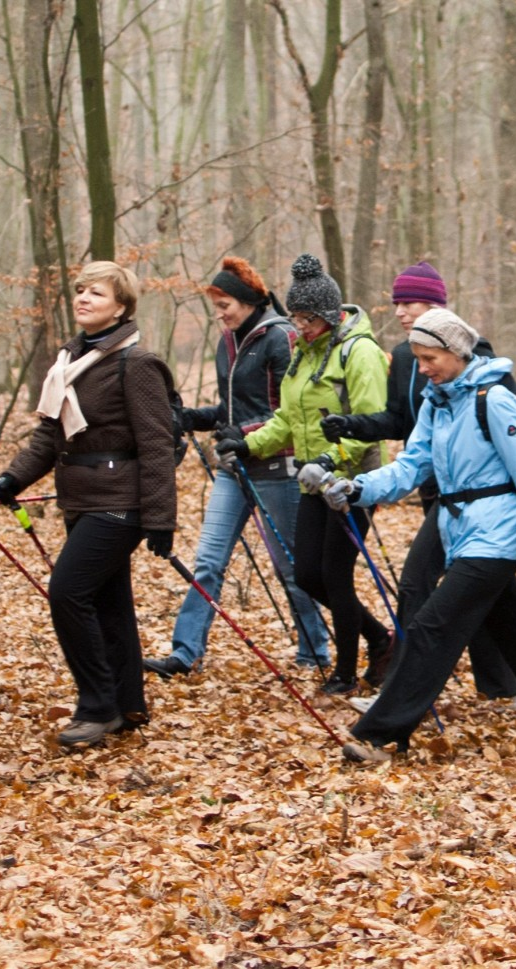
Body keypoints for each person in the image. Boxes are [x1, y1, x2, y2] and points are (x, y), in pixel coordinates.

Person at [308, 310, 516, 762]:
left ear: (456, 352)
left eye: (429, 358)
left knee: (433, 626)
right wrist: (359, 489)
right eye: (418, 358)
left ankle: (382, 736)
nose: (422, 367)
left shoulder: (493, 400)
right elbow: (412, 467)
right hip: (460, 531)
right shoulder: (438, 403)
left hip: (496, 536)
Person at [318, 260, 516, 707]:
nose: (401, 311)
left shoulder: (472, 353)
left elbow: (513, 425)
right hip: (437, 493)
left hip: (481, 501)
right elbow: (400, 422)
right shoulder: (404, 357)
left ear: (437, 305)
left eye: (410, 302)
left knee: (437, 587)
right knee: (464, 591)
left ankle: (418, 689)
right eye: (397, 303)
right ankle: (498, 688)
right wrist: (350, 425)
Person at [0, 260, 180, 747]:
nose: (83, 299)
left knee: (68, 593)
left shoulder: (136, 364)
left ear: (121, 306)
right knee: (108, 602)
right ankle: (127, 702)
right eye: (80, 291)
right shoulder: (69, 362)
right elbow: (49, 436)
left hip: (120, 502)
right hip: (80, 500)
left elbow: (158, 446)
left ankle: (96, 707)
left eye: (95, 293)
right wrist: (14, 476)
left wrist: (161, 520)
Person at [145, 256, 331, 677]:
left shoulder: (281, 338)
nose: (220, 313)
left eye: (225, 303)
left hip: (277, 470)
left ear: (248, 301)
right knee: (208, 560)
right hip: (234, 469)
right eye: (215, 305)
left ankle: (315, 652)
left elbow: (291, 412)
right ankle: (185, 652)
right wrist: (192, 418)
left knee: (290, 566)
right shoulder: (227, 341)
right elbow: (230, 410)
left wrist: (243, 433)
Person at [220, 255, 392, 695]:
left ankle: (346, 672)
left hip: (353, 483)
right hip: (311, 482)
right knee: (308, 575)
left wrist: (335, 461)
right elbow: (286, 420)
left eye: (308, 318)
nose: (300, 326)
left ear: (330, 316)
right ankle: (379, 639)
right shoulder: (301, 354)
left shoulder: (360, 352)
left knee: (335, 574)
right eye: (295, 317)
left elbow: (371, 424)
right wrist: (248, 441)